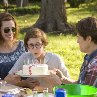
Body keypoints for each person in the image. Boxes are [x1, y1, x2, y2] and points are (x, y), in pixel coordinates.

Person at [5, 28, 70, 92]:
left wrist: (57, 82)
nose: (34, 48)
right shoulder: (25, 58)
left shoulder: (55, 59)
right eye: (31, 45)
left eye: (37, 44)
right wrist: (24, 83)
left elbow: (68, 84)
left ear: (44, 44)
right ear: (27, 47)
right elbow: (7, 79)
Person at [53, 17, 97, 87]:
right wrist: (63, 79)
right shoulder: (88, 58)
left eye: (78, 37)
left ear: (89, 39)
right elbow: (81, 85)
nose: (77, 41)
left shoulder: (94, 66)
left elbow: (87, 93)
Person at [0, 12, 26, 80]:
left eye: (13, 29)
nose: (11, 32)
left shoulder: (24, 46)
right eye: (6, 30)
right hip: (3, 88)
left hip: (27, 88)